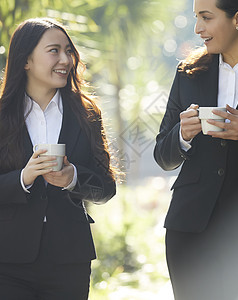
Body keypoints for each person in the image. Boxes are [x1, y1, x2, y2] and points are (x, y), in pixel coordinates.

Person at [0, 18, 116, 300]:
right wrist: (23, 178)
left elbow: (106, 188)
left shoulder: (86, 114)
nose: (65, 59)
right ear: (26, 60)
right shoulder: (2, 115)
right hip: (8, 262)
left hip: (69, 261)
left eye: (68, 50)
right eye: (54, 50)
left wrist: (72, 178)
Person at [154, 0, 238, 299]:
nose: (198, 29)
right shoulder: (189, 73)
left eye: (206, 18)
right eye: (196, 18)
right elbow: (163, 155)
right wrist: (181, 134)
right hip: (191, 228)